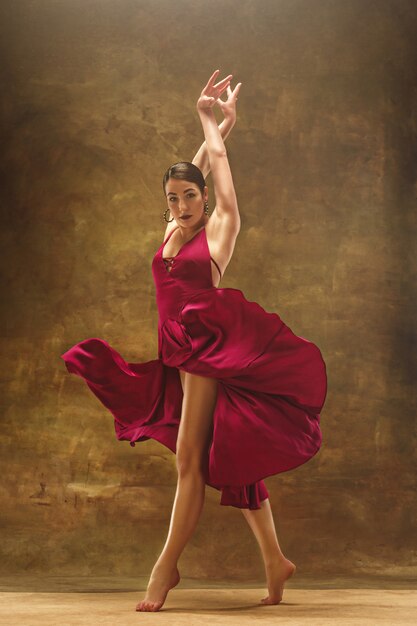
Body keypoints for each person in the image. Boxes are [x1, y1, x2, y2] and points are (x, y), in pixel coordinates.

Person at [60, 70, 327, 612]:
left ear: (206, 199)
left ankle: (165, 569)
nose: (181, 206)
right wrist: (210, 140)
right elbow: (194, 171)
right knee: (230, 453)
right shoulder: (170, 232)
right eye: (172, 198)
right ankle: (276, 561)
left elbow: (216, 177)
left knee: (190, 462)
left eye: (189, 198)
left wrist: (212, 124)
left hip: (204, 351)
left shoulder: (219, 230)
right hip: (175, 355)